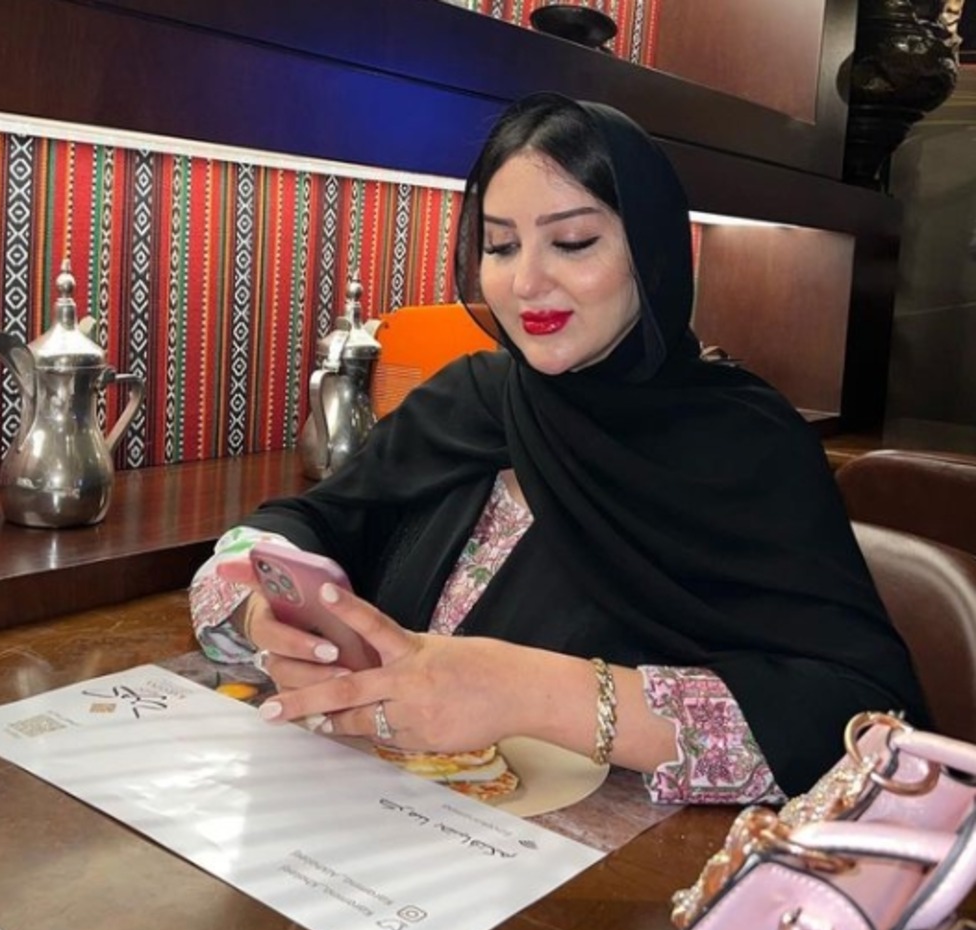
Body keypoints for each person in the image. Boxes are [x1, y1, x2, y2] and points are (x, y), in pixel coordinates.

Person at [190, 92, 929, 802]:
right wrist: (265, 617)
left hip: (622, 874)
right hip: (375, 821)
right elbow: (298, 525)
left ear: (653, 250)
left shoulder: (748, 447)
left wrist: (531, 693)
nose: (525, 282)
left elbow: (866, 728)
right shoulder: (472, 399)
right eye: (501, 245)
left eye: (573, 242)